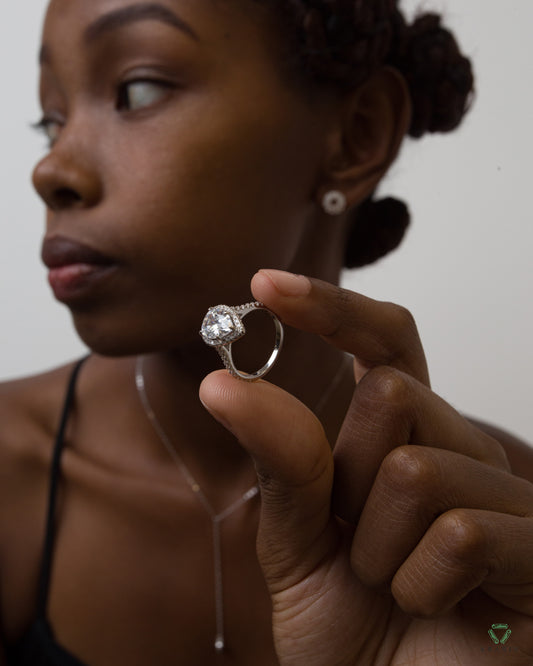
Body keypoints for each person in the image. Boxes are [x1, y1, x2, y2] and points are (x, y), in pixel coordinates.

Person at [1, 0, 532, 664]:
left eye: (135, 91)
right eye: (50, 119)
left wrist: (499, 642)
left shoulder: (501, 524)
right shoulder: (7, 472)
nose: (49, 171)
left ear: (356, 134)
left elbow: (500, 633)